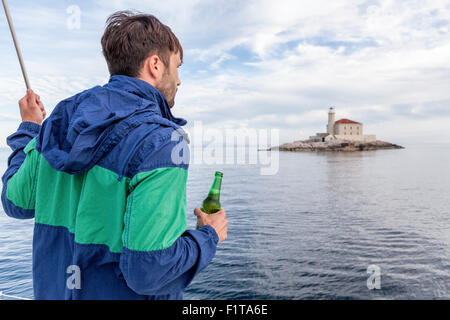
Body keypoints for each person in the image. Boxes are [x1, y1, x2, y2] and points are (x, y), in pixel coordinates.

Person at [1, 10, 227, 300]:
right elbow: (149, 271)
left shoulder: (58, 124)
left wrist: (30, 129)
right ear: (155, 65)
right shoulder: (162, 142)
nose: (179, 80)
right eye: (177, 66)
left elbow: (15, 201)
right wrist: (208, 236)